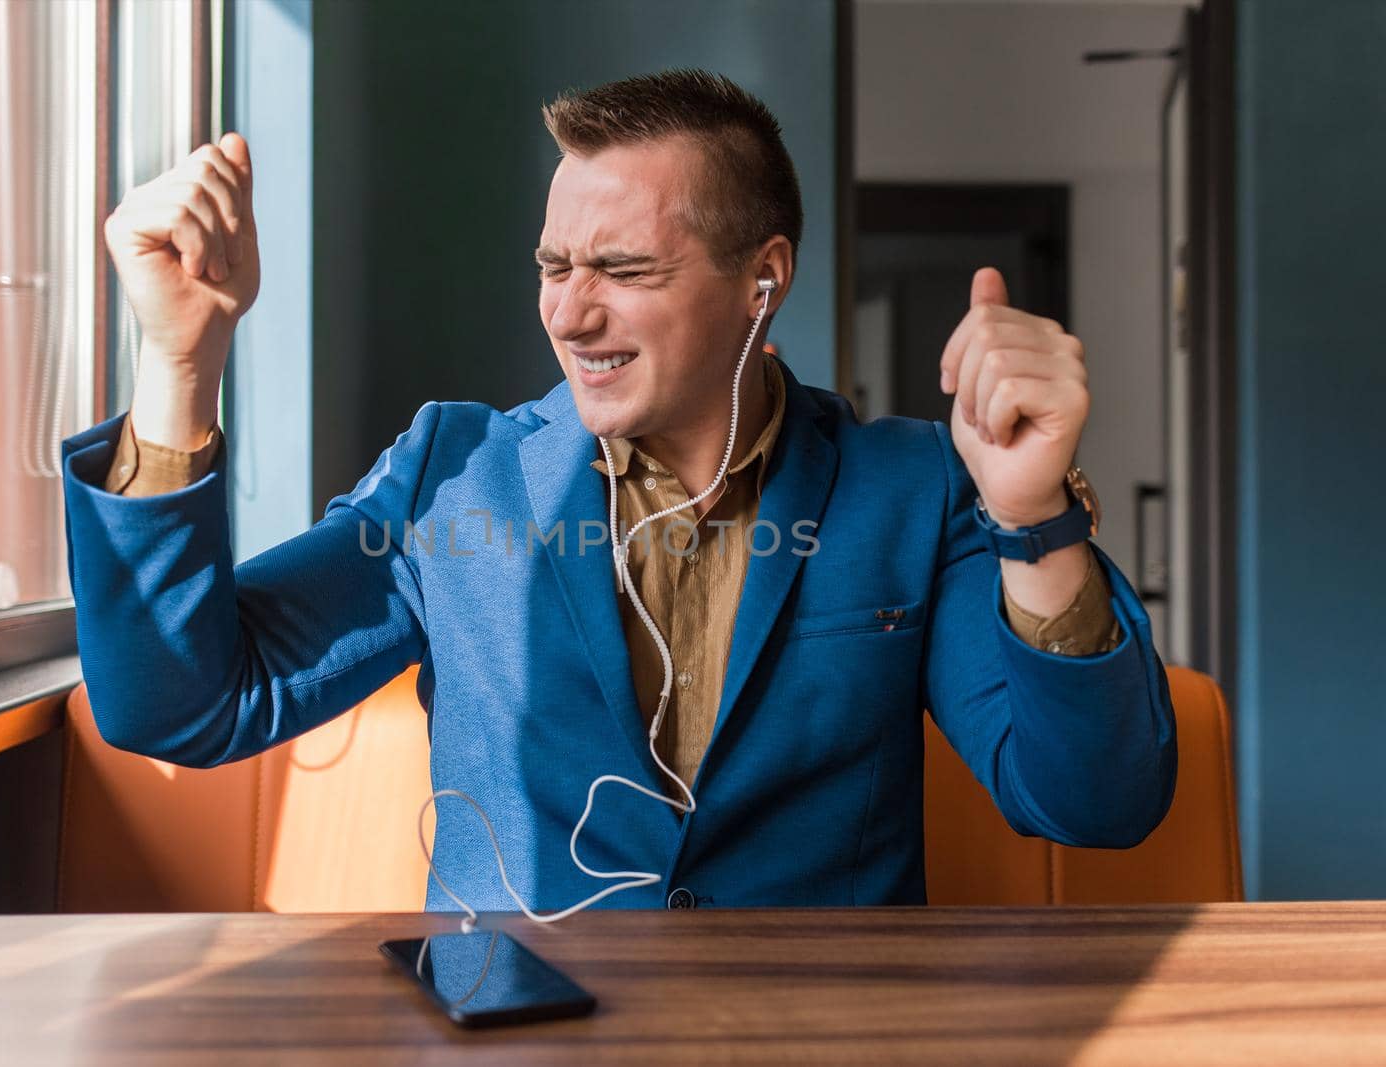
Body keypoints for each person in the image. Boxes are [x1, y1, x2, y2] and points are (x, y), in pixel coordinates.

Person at [62, 69, 1175, 911]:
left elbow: (1094, 802)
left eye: (625, 271)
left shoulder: (911, 485)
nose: (571, 313)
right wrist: (178, 369)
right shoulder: (451, 476)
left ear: (763, 279)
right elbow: (183, 707)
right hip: (514, 1036)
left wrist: (1032, 514)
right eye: (555, 267)